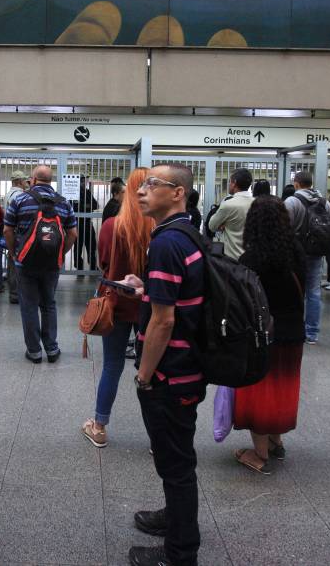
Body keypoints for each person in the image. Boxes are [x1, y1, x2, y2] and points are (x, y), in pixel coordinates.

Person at [118, 163, 206, 566]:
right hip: (187, 366)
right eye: (142, 184)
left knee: (175, 462)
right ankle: (174, 519)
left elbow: (164, 320)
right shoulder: (185, 234)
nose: (141, 191)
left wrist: (144, 374)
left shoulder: (168, 242)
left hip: (172, 371)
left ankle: (180, 552)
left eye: (153, 184)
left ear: (177, 194)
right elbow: (172, 299)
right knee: (176, 454)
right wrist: (145, 287)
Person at [233, 195, 306, 474]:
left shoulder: (251, 258)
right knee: (284, 386)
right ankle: (277, 441)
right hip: (293, 331)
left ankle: (259, 452)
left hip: (262, 333)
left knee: (260, 389)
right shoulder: (296, 251)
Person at [81, 167, 154, 449]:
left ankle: (99, 426)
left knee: (112, 366)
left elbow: (103, 263)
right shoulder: (157, 226)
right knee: (150, 370)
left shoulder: (112, 225)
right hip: (149, 307)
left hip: (116, 304)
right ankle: (156, 438)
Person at [3, 166, 77, 363]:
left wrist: (14, 253)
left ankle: (34, 351)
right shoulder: (64, 203)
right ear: (50, 181)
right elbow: (73, 234)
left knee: (28, 306)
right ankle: (52, 349)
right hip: (51, 264)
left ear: (33, 179)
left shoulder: (20, 200)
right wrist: (60, 253)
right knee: (49, 304)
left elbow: (7, 230)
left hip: (24, 263)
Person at [284, 171, 330, 345]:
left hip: (295, 253)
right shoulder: (325, 203)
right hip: (316, 252)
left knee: (294, 290)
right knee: (314, 292)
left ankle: (294, 328)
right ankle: (312, 333)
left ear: (296, 183)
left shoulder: (292, 201)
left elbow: (283, 227)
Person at [208, 168, 253, 260]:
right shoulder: (257, 203)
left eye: (230, 182)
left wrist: (223, 224)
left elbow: (211, 226)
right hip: (251, 258)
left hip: (232, 258)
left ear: (234, 182)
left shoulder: (228, 205)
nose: (229, 184)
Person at [4, 170, 30, 304]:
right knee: (17, 263)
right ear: (19, 182)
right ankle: (16, 294)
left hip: (10, 232)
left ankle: (13, 292)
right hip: (17, 233)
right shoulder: (19, 195)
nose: (27, 183)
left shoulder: (9, 194)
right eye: (25, 181)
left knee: (12, 261)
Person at [72, 175, 99, 272]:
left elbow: (96, 205)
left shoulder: (87, 192)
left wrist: (83, 206)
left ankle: (91, 266)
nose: (84, 183)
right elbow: (73, 207)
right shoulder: (73, 193)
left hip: (86, 223)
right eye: (82, 181)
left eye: (84, 181)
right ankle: (81, 266)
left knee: (91, 245)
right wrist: (87, 206)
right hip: (79, 223)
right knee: (79, 246)